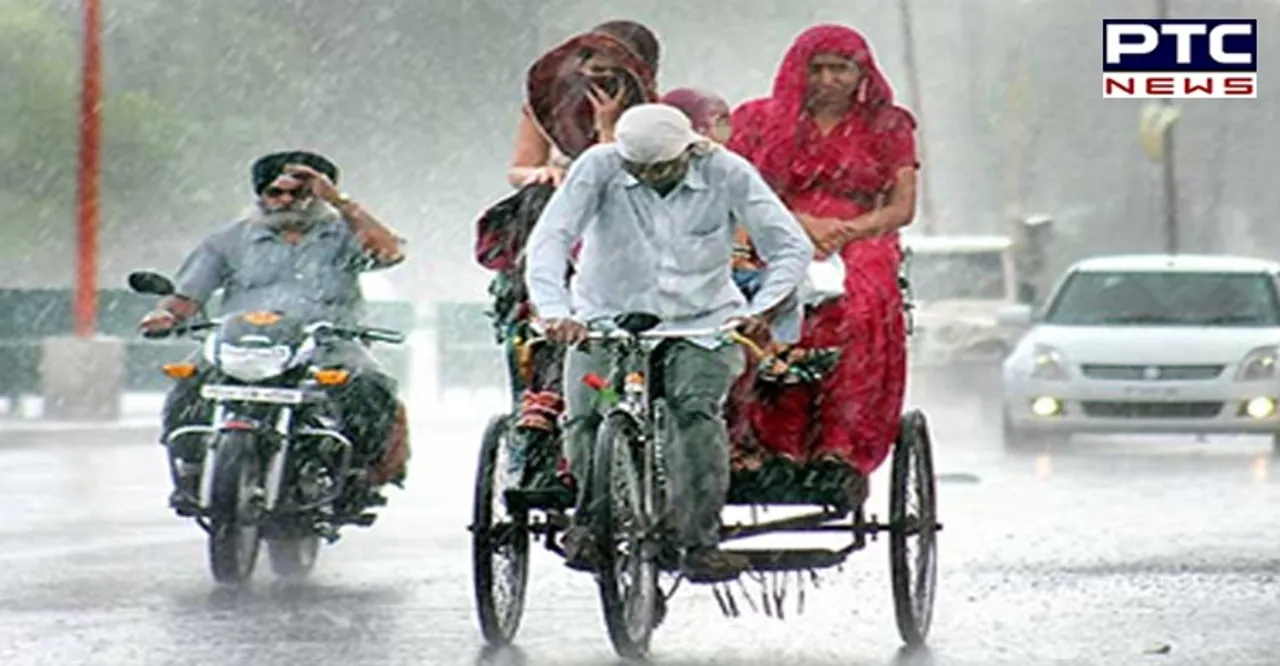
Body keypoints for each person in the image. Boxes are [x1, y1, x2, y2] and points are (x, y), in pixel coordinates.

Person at [524, 103, 814, 580]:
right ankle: (589, 520)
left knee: (693, 411)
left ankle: (699, 540)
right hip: (606, 320)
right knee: (587, 413)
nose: (653, 176)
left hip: (702, 324)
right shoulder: (598, 167)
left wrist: (763, 307)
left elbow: (790, 246)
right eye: (640, 169)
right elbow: (551, 240)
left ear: (690, 151)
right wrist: (557, 313)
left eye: (663, 167)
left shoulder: (725, 170)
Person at [139, 150, 411, 511]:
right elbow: (187, 295)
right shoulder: (228, 241)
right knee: (188, 387)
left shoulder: (346, 235)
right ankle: (191, 468)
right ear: (260, 196)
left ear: (320, 196)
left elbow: (390, 253)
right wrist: (164, 316)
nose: (285, 201)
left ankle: (359, 476)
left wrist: (341, 203)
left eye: (299, 194)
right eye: (274, 192)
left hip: (328, 346)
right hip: (239, 345)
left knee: (370, 388)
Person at [726, 24, 920, 497]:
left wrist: (849, 230)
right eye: (817, 69)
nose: (828, 80)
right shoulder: (758, 120)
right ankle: (771, 442)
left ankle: (840, 444)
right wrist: (799, 223)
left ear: (861, 73)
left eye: (841, 69)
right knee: (763, 306)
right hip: (772, 229)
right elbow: (734, 192)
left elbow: (902, 207)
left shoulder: (889, 125)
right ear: (798, 70)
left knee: (859, 303)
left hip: (861, 236)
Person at [476, 20, 662, 489]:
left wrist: (606, 132)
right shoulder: (549, 105)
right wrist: (545, 174)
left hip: (633, 232)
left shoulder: (659, 120)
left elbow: (628, 174)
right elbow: (520, 167)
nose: (597, 79)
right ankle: (551, 405)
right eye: (591, 67)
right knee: (542, 216)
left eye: (611, 70)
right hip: (562, 219)